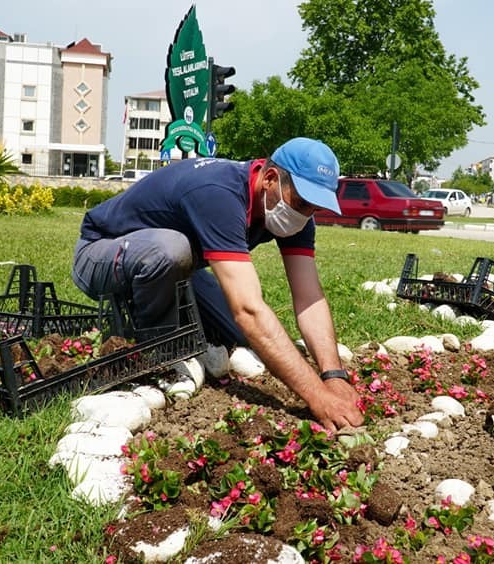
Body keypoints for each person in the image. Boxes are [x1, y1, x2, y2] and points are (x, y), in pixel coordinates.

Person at [71, 137, 363, 431]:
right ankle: (158, 349)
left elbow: (309, 297)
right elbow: (248, 310)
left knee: (245, 336)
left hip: (180, 267)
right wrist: (316, 396)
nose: (306, 215)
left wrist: (333, 376)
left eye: (315, 208)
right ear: (270, 179)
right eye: (302, 203)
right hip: (101, 252)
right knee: (171, 250)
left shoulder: (292, 212)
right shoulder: (218, 192)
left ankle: (168, 308)